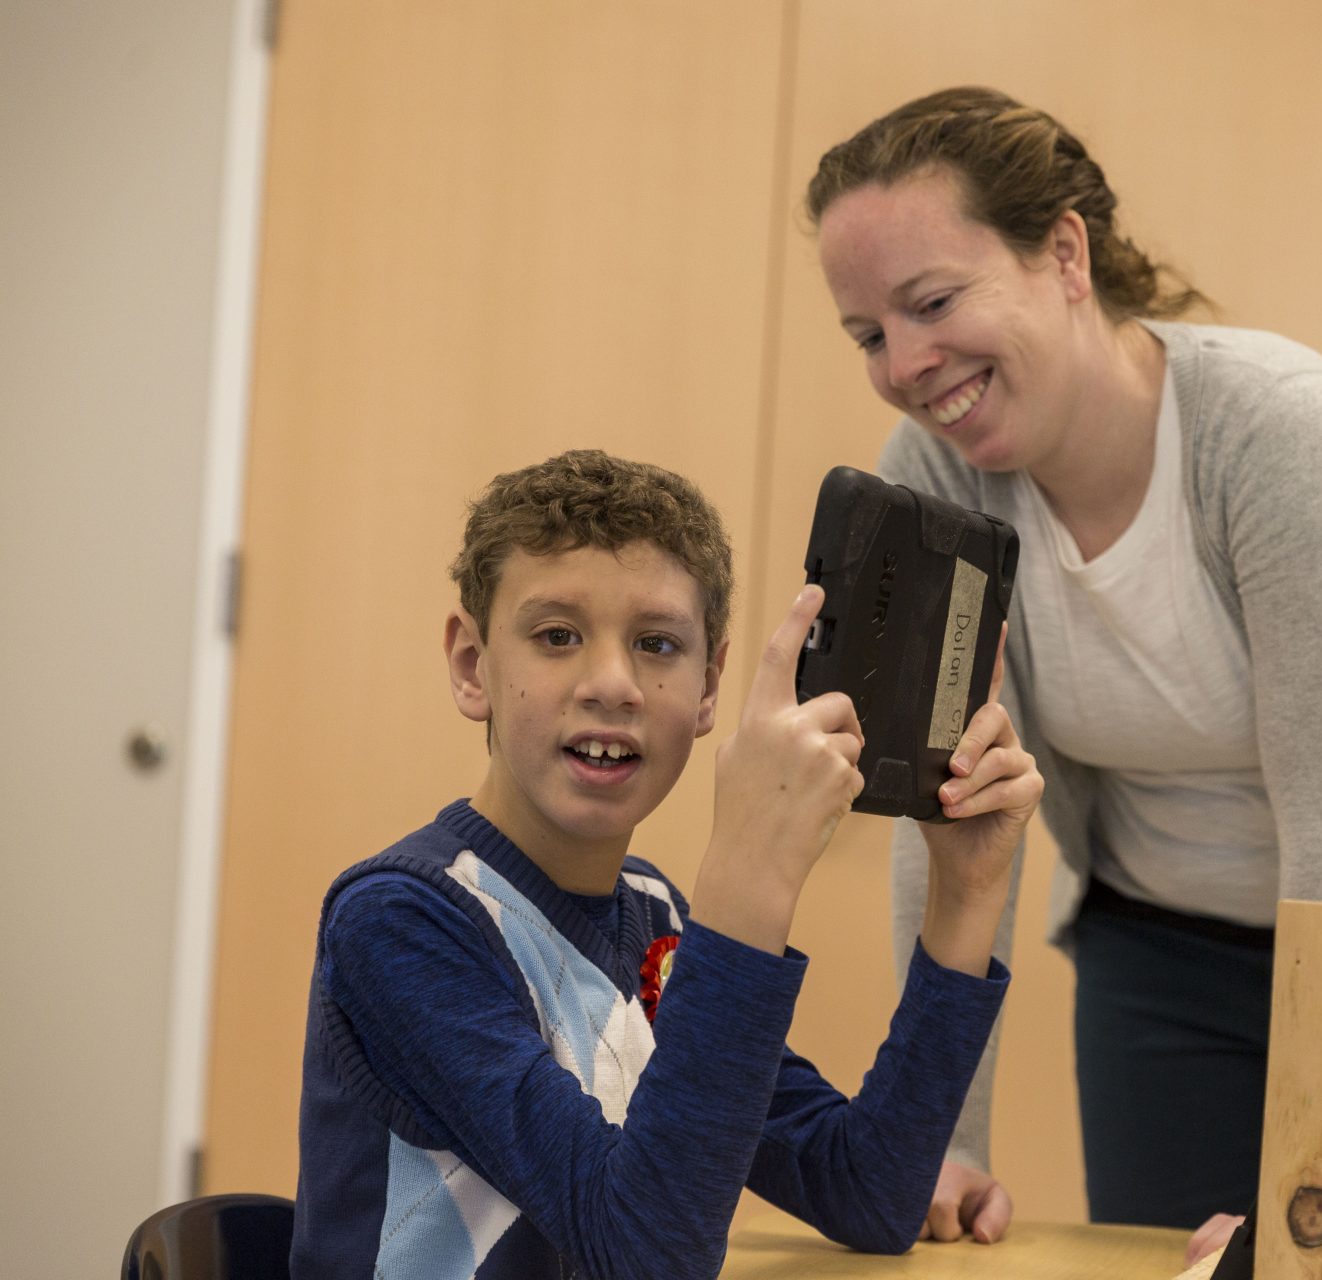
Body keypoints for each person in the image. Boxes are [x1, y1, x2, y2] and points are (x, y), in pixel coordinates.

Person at [806, 87, 1322, 1253]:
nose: (907, 363)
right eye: (869, 333)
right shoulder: (935, 474)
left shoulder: (1274, 429)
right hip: (1159, 944)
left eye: (933, 301)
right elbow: (950, 817)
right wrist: (943, 1138)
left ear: (1065, 253)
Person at [289, 449, 1042, 1279]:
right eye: (556, 636)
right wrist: (751, 873)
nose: (613, 682)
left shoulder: (655, 915)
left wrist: (967, 895)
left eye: (657, 644)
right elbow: (646, 1255)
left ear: (710, 684)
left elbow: (868, 1192)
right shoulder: (400, 921)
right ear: (474, 666)